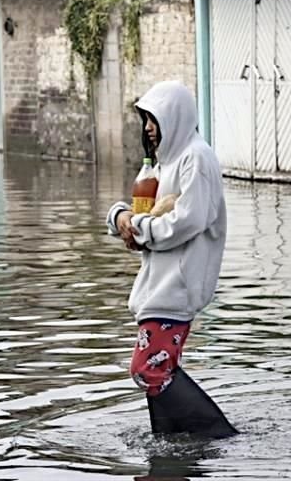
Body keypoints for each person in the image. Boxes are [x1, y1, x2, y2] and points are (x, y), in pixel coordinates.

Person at [106, 80, 237, 439]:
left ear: (174, 117)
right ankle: (170, 438)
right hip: (157, 285)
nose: (148, 127)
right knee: (157, 374)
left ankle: (216, 433)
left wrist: (142, 229)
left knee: (148, 369)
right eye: (146, 119)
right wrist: (122, 219)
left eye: (154, 119)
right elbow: (141, 213)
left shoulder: (197, 158)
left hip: (177, 286)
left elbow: (189, 220)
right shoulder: (164, 164)